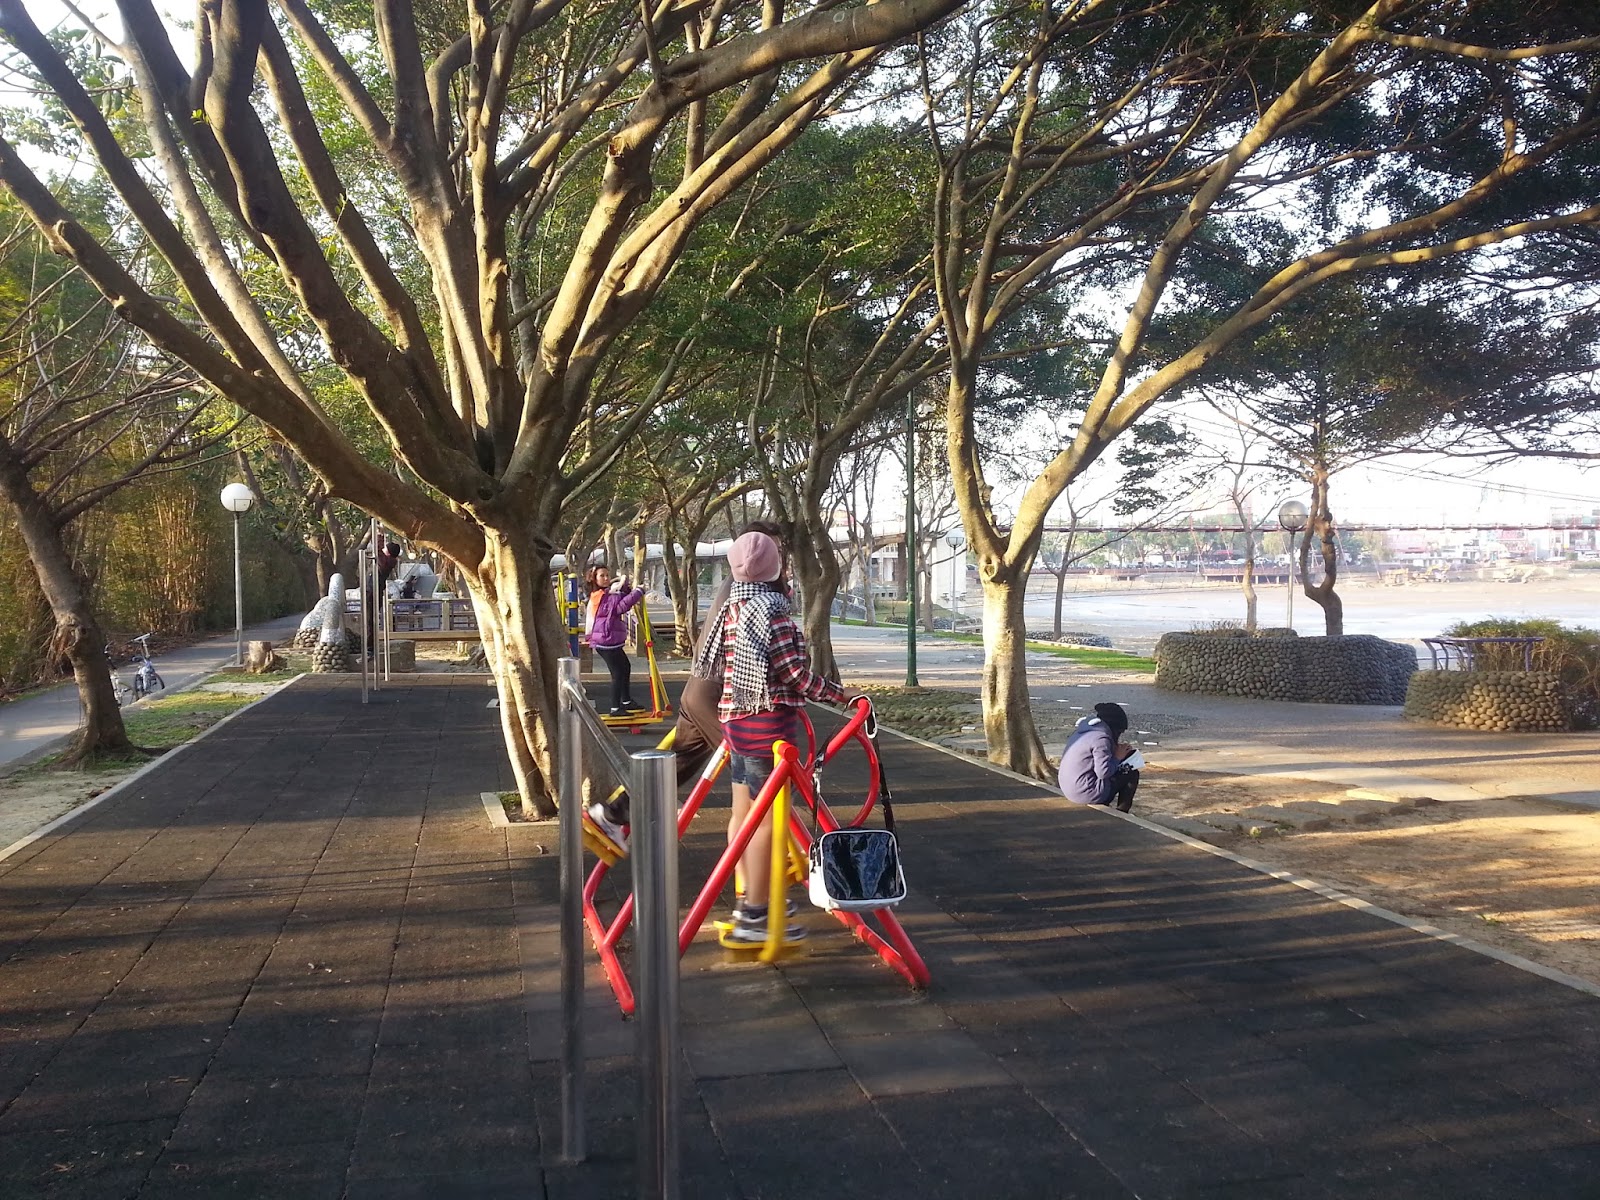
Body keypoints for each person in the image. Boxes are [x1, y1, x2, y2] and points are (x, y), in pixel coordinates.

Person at [585, 521, 786, 852]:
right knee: (763, 781)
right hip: (719, 696)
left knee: (677, 762)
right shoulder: (754, 592)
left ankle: (611, 814)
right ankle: (773, 871)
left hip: (699, 690)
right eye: (772, 549)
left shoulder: (738, 585)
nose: (776, 557)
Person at [691, 530, 846, 944]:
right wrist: (838, 694)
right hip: (767, 727)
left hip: (736, 721)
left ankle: (750, 896)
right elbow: (793, 674)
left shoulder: (734, 606)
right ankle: (755, 915)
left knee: (742, 814)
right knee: (768, 822)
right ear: (777, 569)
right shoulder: (772, 611)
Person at [1057, 701, 1140, 812]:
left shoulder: (1085, 731)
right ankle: (1122, 812)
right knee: (1132, 772)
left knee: (1124, 761)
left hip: (1069, 789)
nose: (1119, 736)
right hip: (1086, 794)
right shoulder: (1102, 738)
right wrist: (1118, 757)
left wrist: (1114, 751)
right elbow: (1103, 772)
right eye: (1120, 732)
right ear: (1114, 728)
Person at [585, 565, 645, 716]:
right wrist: (637, 592)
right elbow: (619, 607)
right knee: (617, 673)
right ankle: (615, 708)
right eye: (602, 576)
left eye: (607, 575)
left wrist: (625, 588)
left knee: (625, 667)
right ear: (594, 579)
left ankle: (626, 701)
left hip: (610, 640)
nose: (606, 578)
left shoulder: (606, 594)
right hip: (605, 641)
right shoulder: (599, 596)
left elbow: (620, 598)